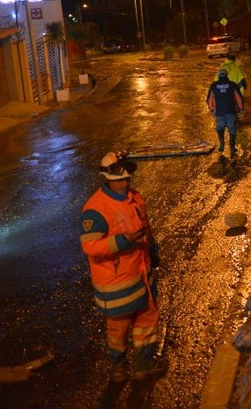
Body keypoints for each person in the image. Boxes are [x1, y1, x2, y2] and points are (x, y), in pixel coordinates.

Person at [80, 151, 167, 382]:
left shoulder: (135, 197)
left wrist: (153, 251)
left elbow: (145, 227)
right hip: (117, 284)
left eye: (127, 179)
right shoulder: (95, 209)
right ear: (106, 178)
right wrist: (122, 241)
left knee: (147, 321)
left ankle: (143, 365)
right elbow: (90, 247)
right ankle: (117, 369)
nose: (125, 183)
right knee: (118, 331)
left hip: (142, 275)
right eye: (120, 179)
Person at [207, 68, 244, 157]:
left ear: (219, 76)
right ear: (227, 75)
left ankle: (222, 143)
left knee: (220, 127)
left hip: (220, 111)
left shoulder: (214, 85)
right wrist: (240, 108)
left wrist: (212, 109)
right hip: (230, 110)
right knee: (231, 128)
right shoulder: (232, 85)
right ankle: (232, 148)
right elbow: (239, 97)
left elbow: (209, 99)